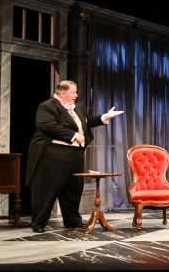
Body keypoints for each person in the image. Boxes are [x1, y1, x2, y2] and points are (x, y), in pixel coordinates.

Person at [25, 80, 124, 233]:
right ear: (63, 93)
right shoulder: (47, 106)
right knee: (48, 189)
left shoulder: (77, 108)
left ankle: (72, 220)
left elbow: (87, 121)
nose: (76, 95)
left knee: (73, 188)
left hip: (75, 153)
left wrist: (105, 117)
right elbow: (46, 124)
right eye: (73, 92)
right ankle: (39, 222)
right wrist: (74, 135)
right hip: (54, 153)